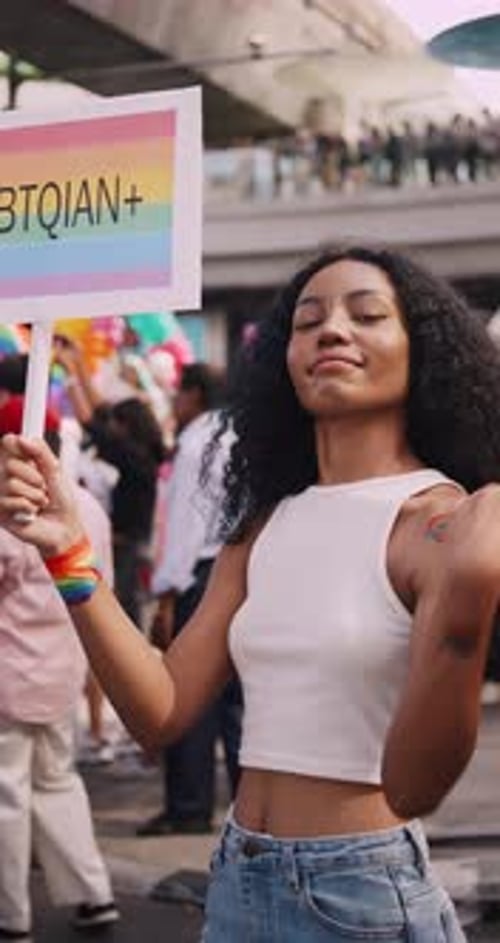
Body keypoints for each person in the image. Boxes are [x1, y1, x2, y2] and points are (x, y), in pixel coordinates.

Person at [4, 245, 500, 941]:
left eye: (367, 315)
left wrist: (463, 615)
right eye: (307, 320)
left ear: (425, 354)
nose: (331, 330)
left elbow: (414, 787)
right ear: (282, 359)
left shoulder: (441, 525)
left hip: (361, 895)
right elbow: (162, 711)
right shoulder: (263, 523)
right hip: (236, 876)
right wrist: (68, 555)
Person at [0, 395, 118, 941]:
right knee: (58, 784)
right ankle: (93, 896)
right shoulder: (87, 507)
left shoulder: (11, 509)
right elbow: (100, 590)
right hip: (62, 672)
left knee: (7, 799)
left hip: (8, 678)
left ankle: (11, 918)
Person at [138, 363, 242, 836]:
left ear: (195, 395)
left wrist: (167, 591)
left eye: (179, 393)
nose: (174, 403)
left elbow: (185, 524)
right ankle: (249, 802)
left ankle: (188, 805)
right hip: (247, 572)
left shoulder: (198, 441)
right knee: (241, 701)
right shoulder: (242, 432)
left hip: (202, 575)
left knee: (190, 694)